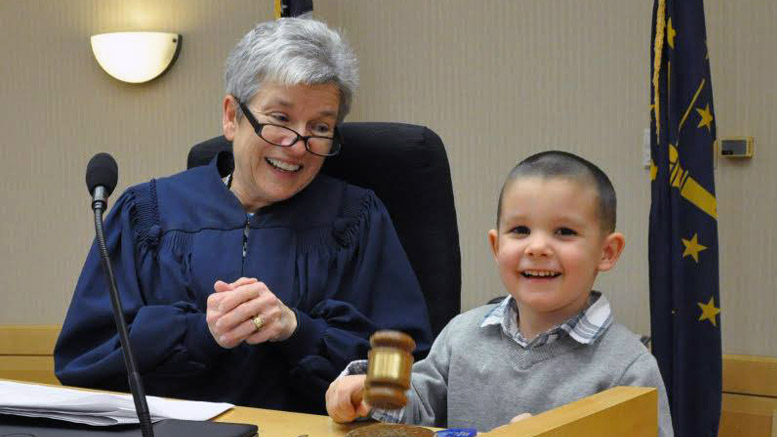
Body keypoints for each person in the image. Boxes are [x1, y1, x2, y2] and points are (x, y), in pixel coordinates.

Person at [54, 18, 432, 414]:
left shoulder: (356, 220)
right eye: (281, 119)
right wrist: (200, 332)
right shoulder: (146, 214)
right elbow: (84, 362)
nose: (296, 145)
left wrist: (297, 330)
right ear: (232, 116)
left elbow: (407, 372)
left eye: (320, 126)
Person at [326, 151, 673, 435]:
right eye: (520, 230)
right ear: (496, 245)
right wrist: (370, 392)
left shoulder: (630, 368)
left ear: (607, 252)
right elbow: (418, 403)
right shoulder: (462, 334)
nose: (537, 247)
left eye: (564, 232)